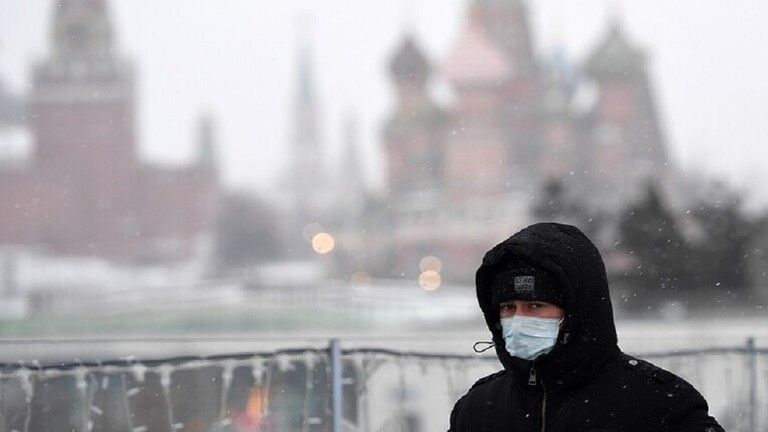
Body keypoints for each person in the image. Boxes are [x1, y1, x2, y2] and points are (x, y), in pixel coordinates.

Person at [448, 222, 724, 432]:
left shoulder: (659, 403)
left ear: (576, 311)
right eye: (508, 307)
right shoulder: (478, 408)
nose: (519, 319)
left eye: (535, 305)